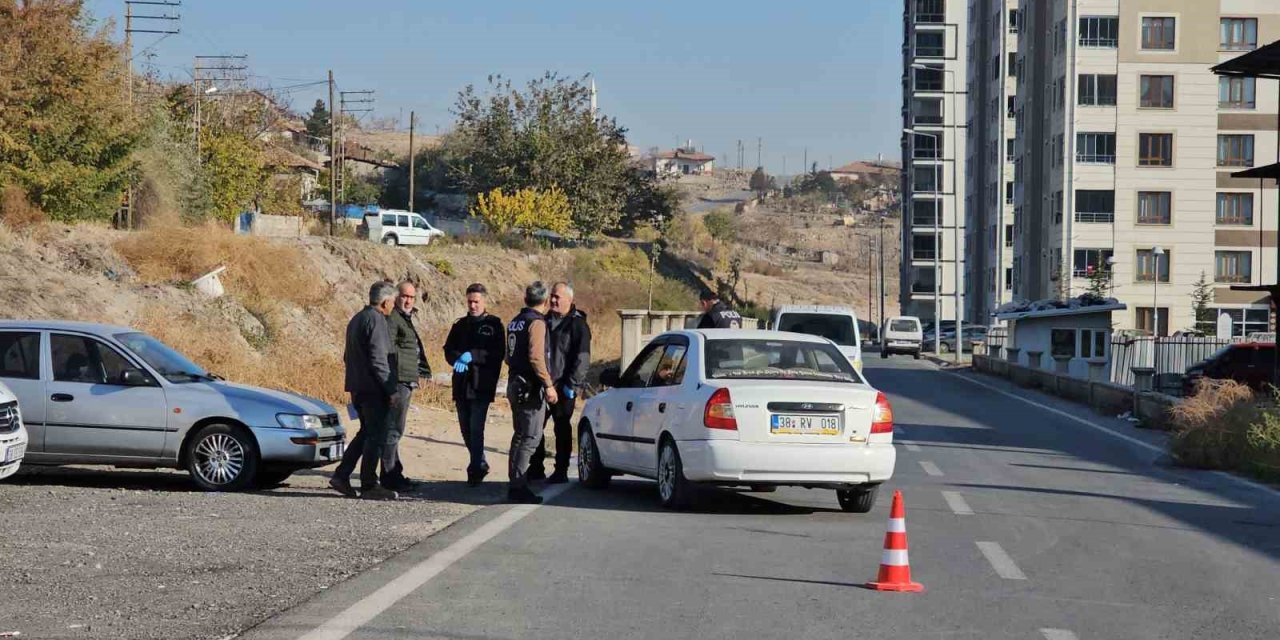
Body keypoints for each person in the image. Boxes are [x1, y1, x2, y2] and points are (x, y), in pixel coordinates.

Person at [330, 280, 401, 501]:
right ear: (386, 301)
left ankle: (342, 475)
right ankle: (369, 484)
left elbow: (347, 357)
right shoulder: (376, 320)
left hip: (358, 388)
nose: (394, 306)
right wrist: (390, 389)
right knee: (375, 436)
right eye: (393, 301)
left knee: (366, 433)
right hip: (372, 389)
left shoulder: (357, 319)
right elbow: (379, 359)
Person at [443, 283, 506, 487]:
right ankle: (481, 461)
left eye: (476, 301)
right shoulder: (460, 325)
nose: (472, 305)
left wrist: (474, 355)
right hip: (461, 384)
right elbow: (448, 349)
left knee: (476, 428)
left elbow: (497, 354)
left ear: (484, 301)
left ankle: (475, 469)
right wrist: (457, 358)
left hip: (481, 384)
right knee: (465, 429)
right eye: (470, 301)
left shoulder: (494, 324)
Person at [529, 282, 591, 484]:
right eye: (552, 296)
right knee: (535, 427)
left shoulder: (578, 325)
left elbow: (582, 359)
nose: (553, 300)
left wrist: (571, 385)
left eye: (558, 297)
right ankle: (536, 467)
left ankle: (561, 470)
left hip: (563, 387)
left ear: (570, 300)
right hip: (542, 385)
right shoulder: (543, 321)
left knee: (562, 429)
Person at [504, 281, 559, 504]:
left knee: (519, 435)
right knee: (530, 437)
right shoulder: (536, 323)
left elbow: (508, 356)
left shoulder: (515, 321)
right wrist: (548, 384)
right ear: (544, 301)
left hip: (515, 383)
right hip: (530, 387)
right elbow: (536, 357)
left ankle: (514, 483)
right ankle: (519, 485)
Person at [383, 280, 432, 491]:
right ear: (396, 297)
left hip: (407, 380)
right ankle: (389, 477)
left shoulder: (404, 318)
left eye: (412, 297)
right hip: (399, 381)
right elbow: (389, 352)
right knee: (393, 430)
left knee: (396, 429)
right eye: (405, 296)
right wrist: (392, 384)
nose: (408, 301)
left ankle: (395, 472)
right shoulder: (394, 319)